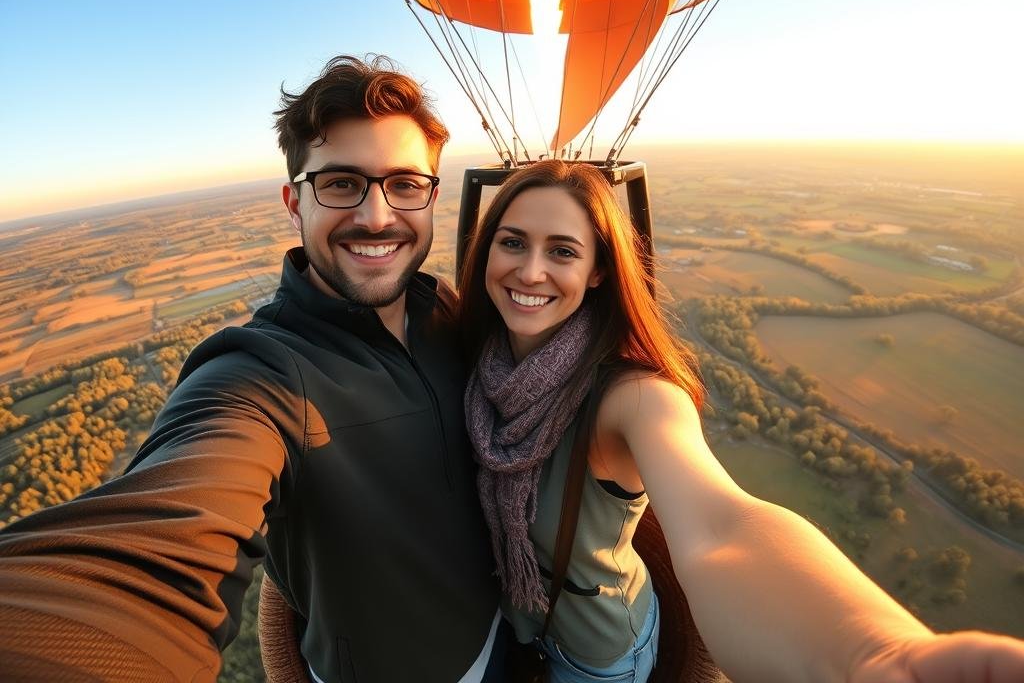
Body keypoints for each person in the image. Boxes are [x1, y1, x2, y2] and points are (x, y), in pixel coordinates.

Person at [0, 55, 502, 683]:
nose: (377, 216)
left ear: (432, 196)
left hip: (501, 632)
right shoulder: (261, 374)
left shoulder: (446, 313)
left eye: (404, 184)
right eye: (342, 184)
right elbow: (154, 548)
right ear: (295, 202)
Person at [457, 159, 1024, 683]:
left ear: (600, 271)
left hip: (596, 658)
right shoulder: (479, 366)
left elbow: (722, 526)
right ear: (487, 251)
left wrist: (868, 653)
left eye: (562, 251)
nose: (530, 271)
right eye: (513, 243)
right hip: (512, 626)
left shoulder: (630, 397)